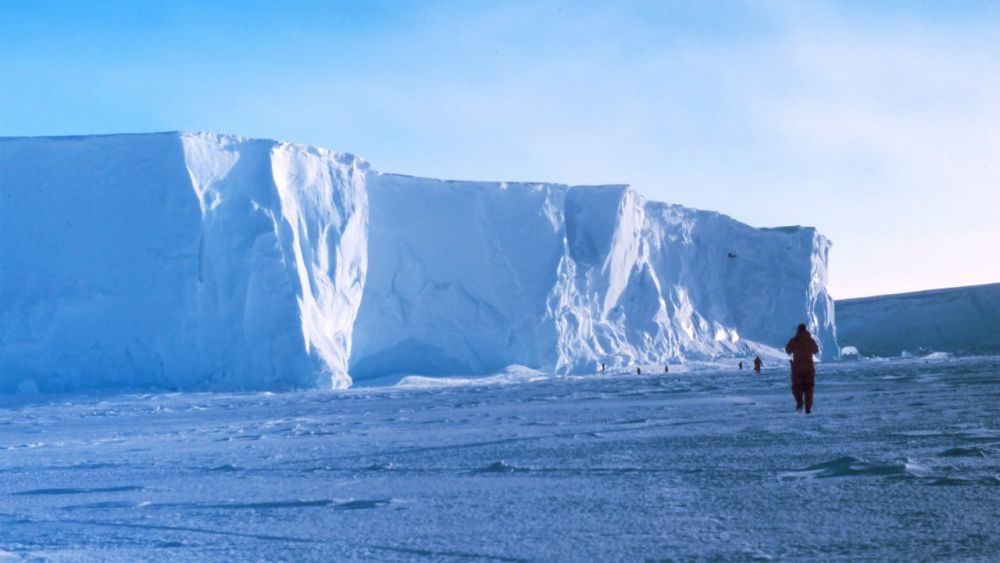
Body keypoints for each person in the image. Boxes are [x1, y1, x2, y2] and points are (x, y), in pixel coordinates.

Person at [785, 323, 819, 414]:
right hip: (809, 368)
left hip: (797, 368)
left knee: (796, 387)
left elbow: (788, 350)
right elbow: (816, 350)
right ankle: (808, 408)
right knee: (809, 388)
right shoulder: (810, 340)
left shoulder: (795, 340)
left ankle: (799, 402)